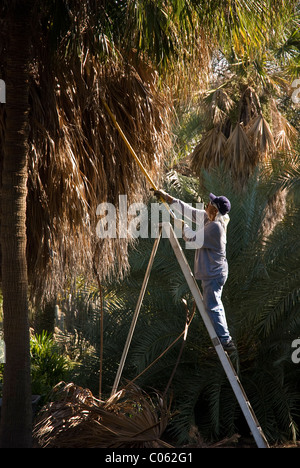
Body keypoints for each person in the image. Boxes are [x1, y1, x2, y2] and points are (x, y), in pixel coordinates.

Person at [152, 189, 236, 352]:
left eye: (210, 203)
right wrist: (169, 199)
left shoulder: (216, 228)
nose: (207, 204)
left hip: (214, 274)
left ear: (215, 210)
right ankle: (223, 339)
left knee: (213, 306)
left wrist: (182, 227)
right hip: (212, 272)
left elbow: (193, 239)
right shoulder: (209, 218)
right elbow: (189, 211)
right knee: (212, 305)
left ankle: (225, 341)